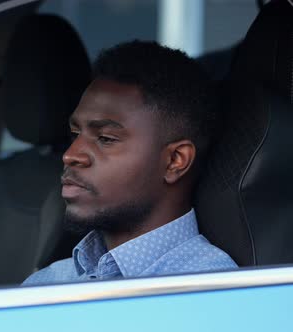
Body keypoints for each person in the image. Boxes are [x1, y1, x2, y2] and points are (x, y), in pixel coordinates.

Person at [23, 41, 237, 285]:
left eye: (105, 138)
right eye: (74, 135)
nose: (71, 155)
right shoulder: (45, 283)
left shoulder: (210, 294)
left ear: (175, 161)